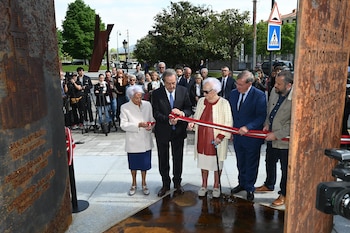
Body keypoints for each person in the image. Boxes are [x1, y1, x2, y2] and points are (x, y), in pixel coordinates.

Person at [189, 78, 233, 198]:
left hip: (216, 140)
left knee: (217, 164)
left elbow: (228, 122)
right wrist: (192, 123)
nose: (204, 94)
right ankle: (203, 185)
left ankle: (216, 185)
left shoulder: (224, 103)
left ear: (214, 91)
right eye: (203, 91)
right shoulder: (201, 101)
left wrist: (221, 136)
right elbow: (196, 117)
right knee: (203, 163)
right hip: (202, 139)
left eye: (206, 91)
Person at [152, 68, 192, 197]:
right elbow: (156, 113)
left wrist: (182, 114)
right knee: (163, 159)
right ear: (163, 82)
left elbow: (188, 108)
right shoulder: (156, 94)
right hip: (163, 131)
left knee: (178, 158)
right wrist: (168, 120)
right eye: (169, 83)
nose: (172, 86)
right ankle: (165, 184)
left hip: (178, 131)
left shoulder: (183, 90)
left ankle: (177, 183)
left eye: (174, 83)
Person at [255, 71, 293, 207]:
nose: (275, 86)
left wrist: (277, 134)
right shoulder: (274, 92)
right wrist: (266, 123)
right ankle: (269, 184)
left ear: (288, 85)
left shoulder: (297, 98)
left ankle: (284, 194)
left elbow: (294, 123)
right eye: (275, 82)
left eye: (279, 84)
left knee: (285, 168)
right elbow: (269, 111)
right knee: (269, 161)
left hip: (285, 141)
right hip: (271, 136)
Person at [229, 70, 267, 201]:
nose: (237, 87)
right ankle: (242, 183)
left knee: (251, 163)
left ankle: (250, 187)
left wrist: (248, 127)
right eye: (237, 83)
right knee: (240, 161)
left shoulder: (259, 95)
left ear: (249, 83)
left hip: (252, 137)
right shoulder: (233, 94)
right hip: (237, 136)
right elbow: (232, 114)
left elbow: (261, 116)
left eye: (240, 84)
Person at [120, 85, 155, 196]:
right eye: (136, 98)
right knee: (134, 165)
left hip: (145, 139)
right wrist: (138, 125)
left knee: (144, 165)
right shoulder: (125, 107)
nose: (139, 100)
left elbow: (152, 119)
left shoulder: (147, 105)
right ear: (131, 97)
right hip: (133, 141)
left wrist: (151, 126)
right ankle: (134, 183)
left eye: (141, 97)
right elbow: (123, 125)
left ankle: (144, 183)